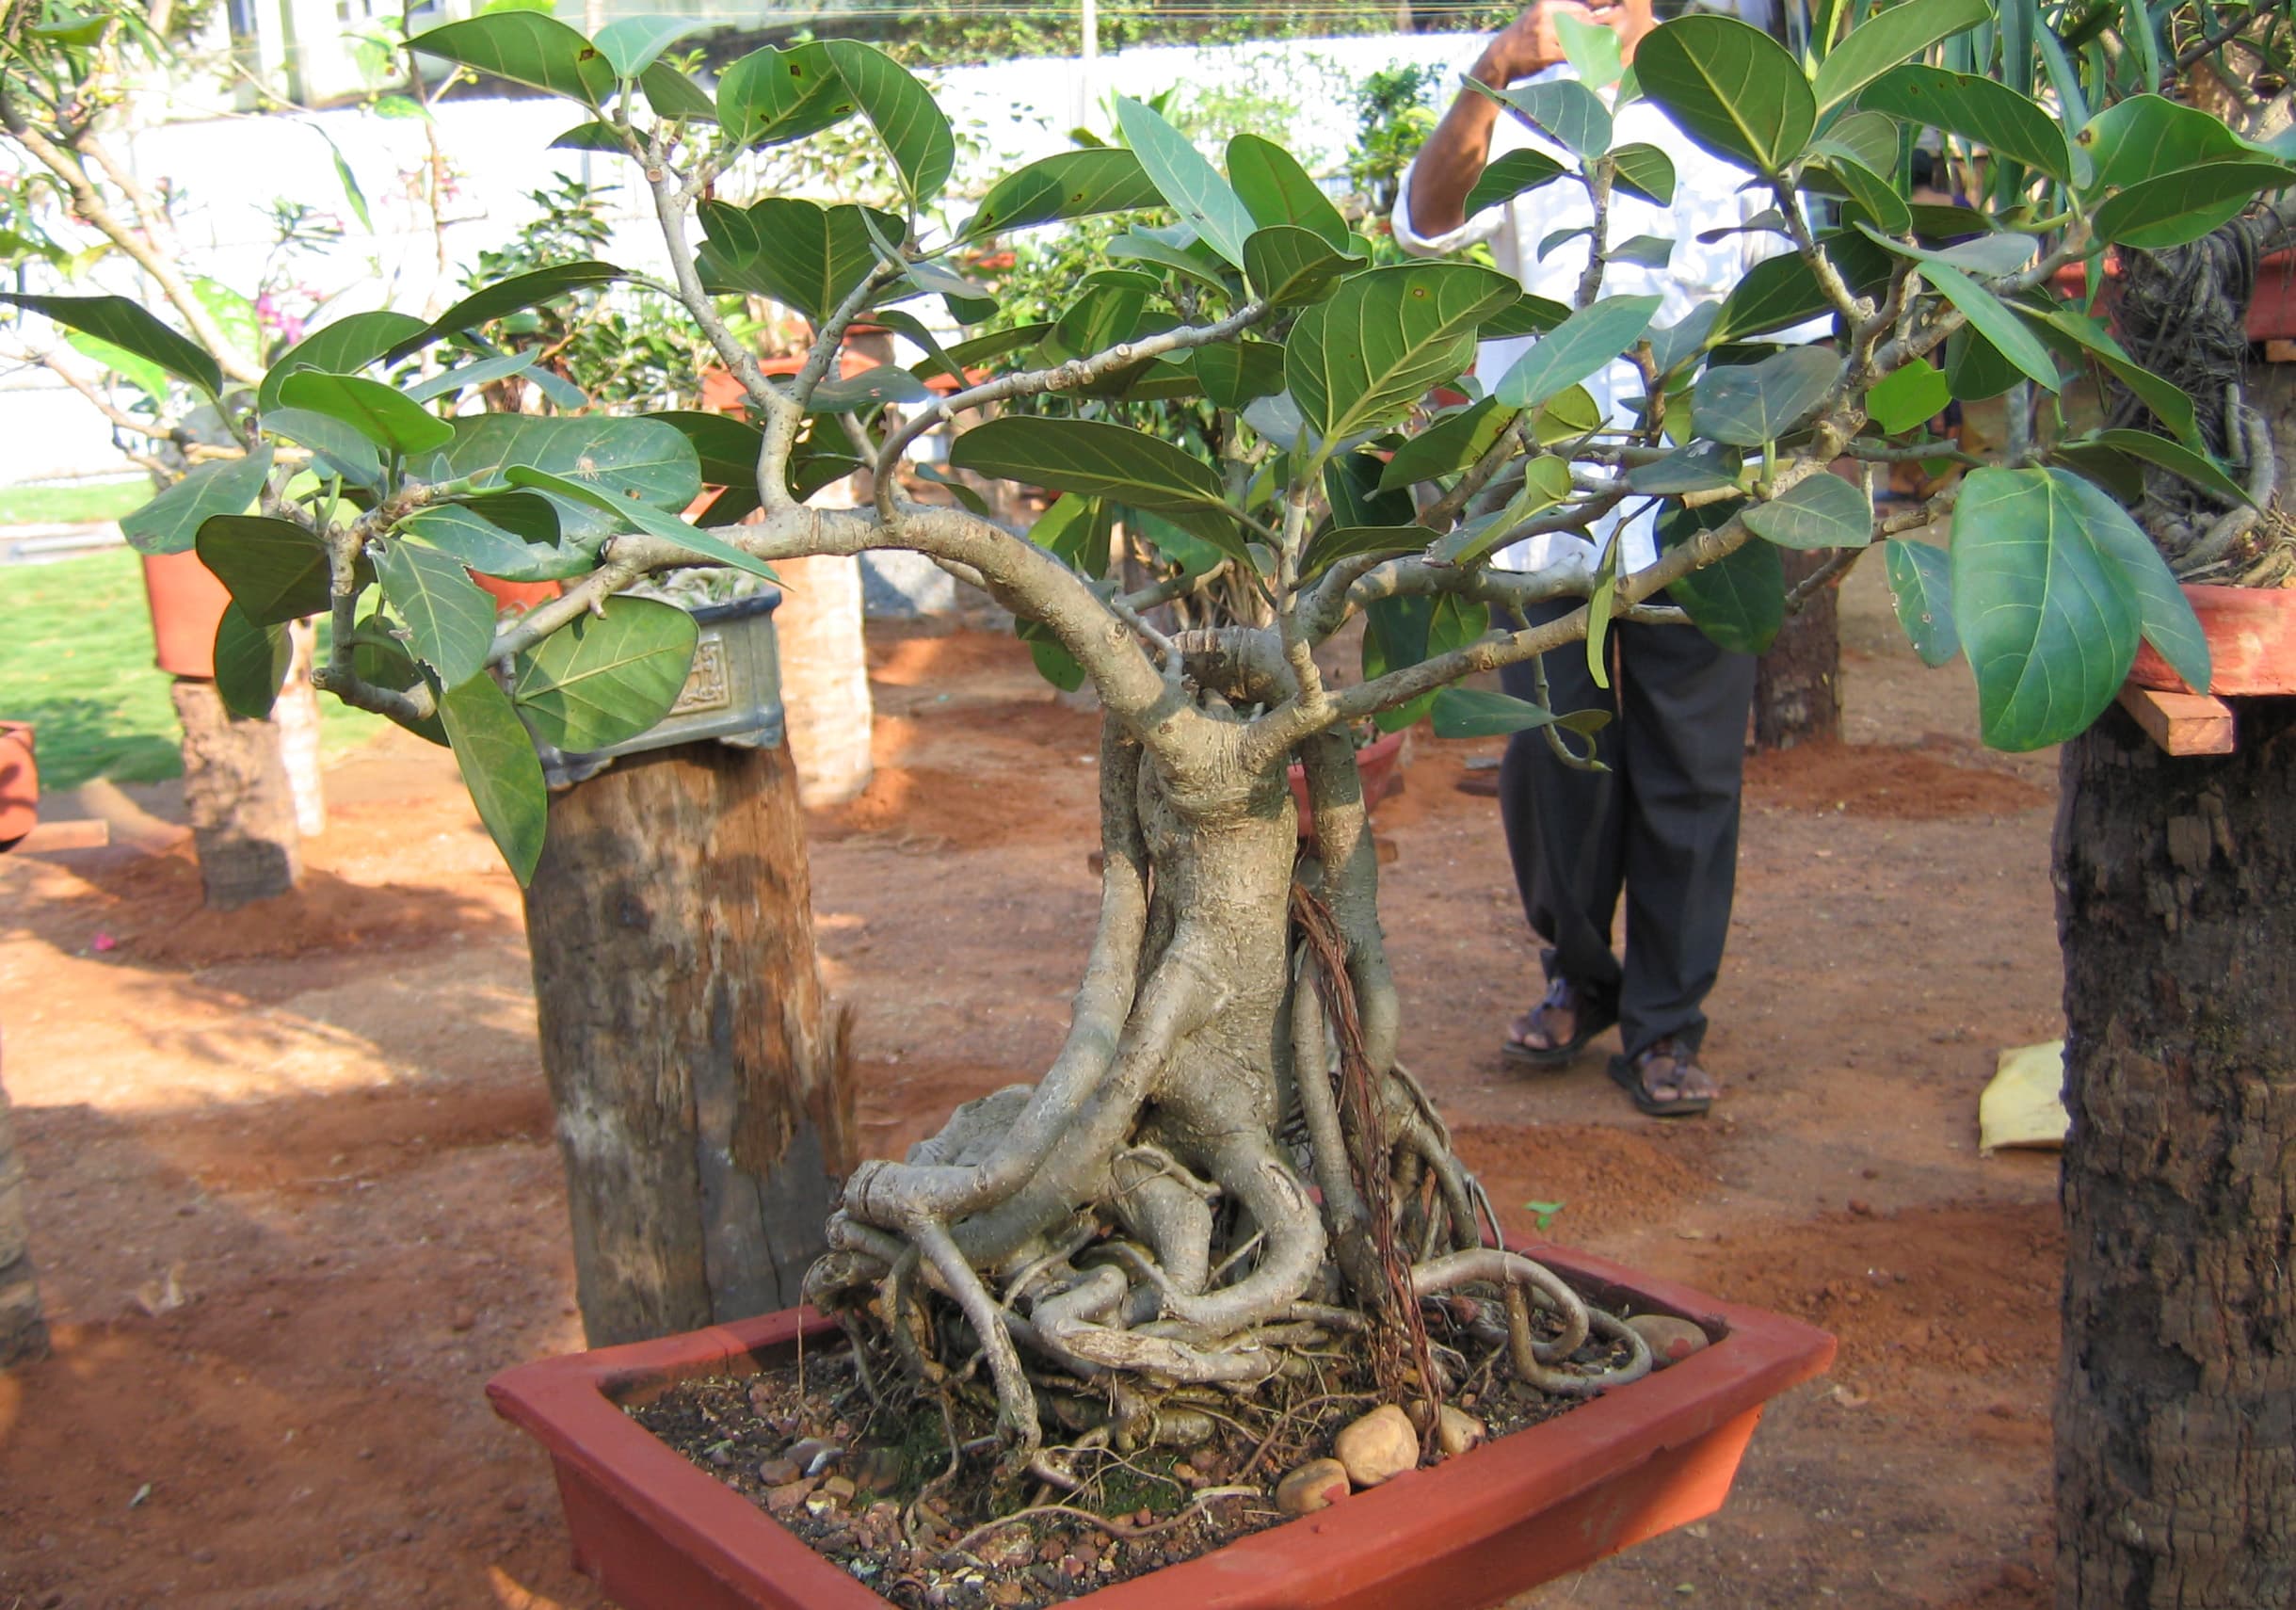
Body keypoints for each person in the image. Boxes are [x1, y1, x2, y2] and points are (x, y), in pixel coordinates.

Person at [1393, 0, 1779, 1119]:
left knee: (1693, 783)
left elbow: (1792, 334)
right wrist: (1491, 72)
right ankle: (1578, 976)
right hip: (1552, 523)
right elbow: (1424, 226)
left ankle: (1666, 1026)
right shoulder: (1519, 113)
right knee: (1551, 769)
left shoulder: (1736, 118)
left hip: (1702, 517)